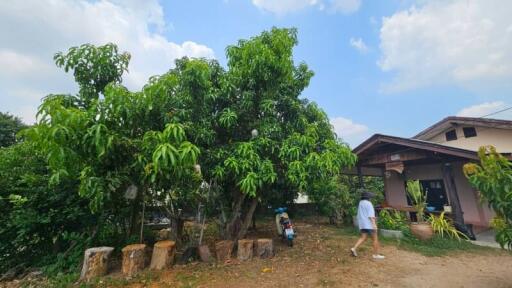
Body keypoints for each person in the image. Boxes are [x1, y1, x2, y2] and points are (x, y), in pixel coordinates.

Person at [350, 191, 385, 259]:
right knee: (375, 239)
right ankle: (376, 255)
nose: (371, 198)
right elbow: (370, 216)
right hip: (369, 224)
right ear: (368, 197)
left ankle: (354, 248)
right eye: (370, 197)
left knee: (363, 237)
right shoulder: (369, 204)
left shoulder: (361, 203)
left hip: (362, 224)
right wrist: (374, 224)